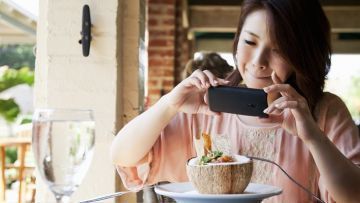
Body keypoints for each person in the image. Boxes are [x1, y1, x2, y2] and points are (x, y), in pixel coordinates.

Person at [111, 0, 360, 202]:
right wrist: (169, 104)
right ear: (237, 39)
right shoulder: (205, 108)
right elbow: (123, 156)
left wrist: (313, 138)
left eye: (279, 48)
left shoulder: (326, 111)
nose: (258, 60)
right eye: (250, 41)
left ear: (302, 54)